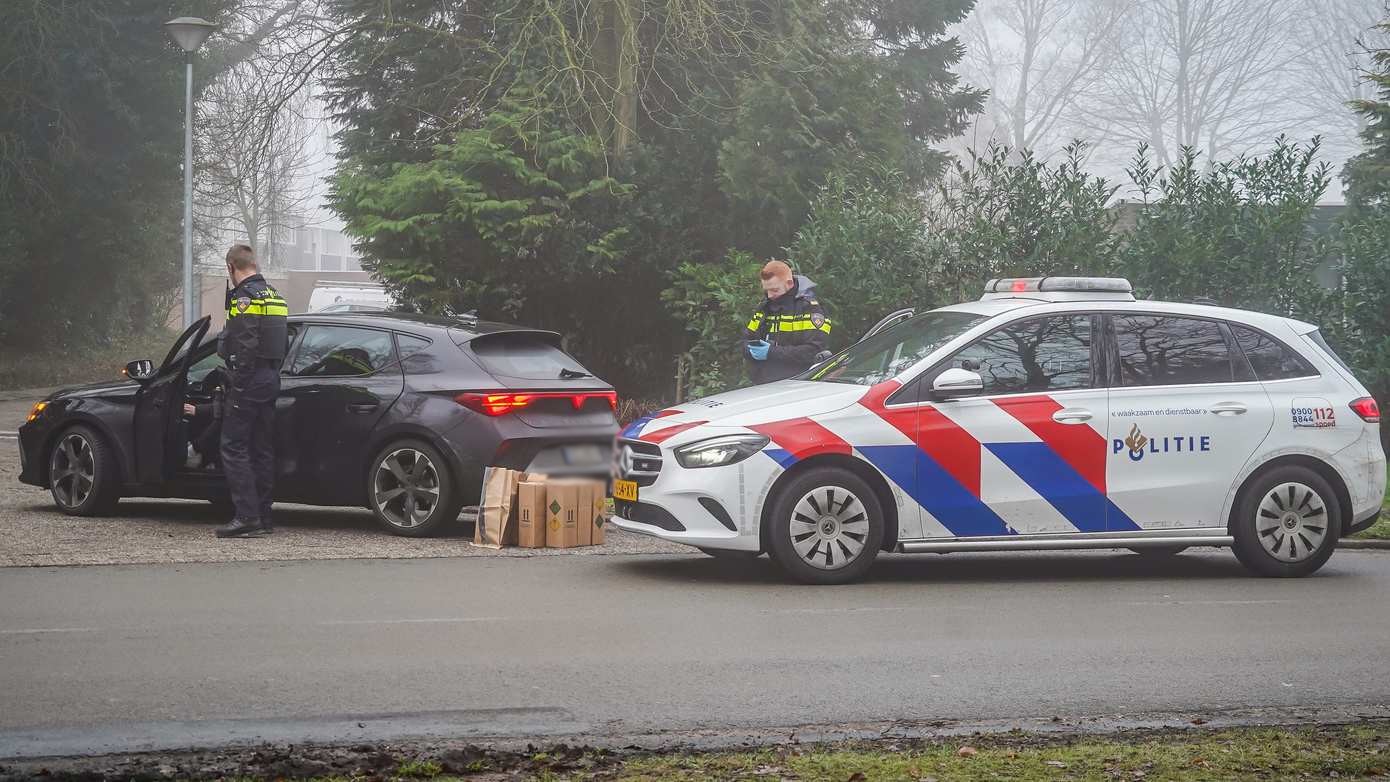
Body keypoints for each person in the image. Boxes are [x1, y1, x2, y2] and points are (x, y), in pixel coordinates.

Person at [215, 244, 289, 538]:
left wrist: (239, 384)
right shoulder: (275, 296)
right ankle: (264, 517)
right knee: (262, 448)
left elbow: (245, 346)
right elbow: (281, 344)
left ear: (231, 267)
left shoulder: (244, 297)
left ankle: (247, 517)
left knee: (233, 446)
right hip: (271, 377)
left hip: (250, 379)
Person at [743, 260, 832, 385]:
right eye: (766, 290)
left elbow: (814, 351)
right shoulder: (765, 307)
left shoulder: (810, 308)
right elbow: (746, 340)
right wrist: (751, 350)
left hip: (797, 384)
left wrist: (771, 352)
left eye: (774, 290)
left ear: (789, 283)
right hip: (763, 384)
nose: (769, 295)